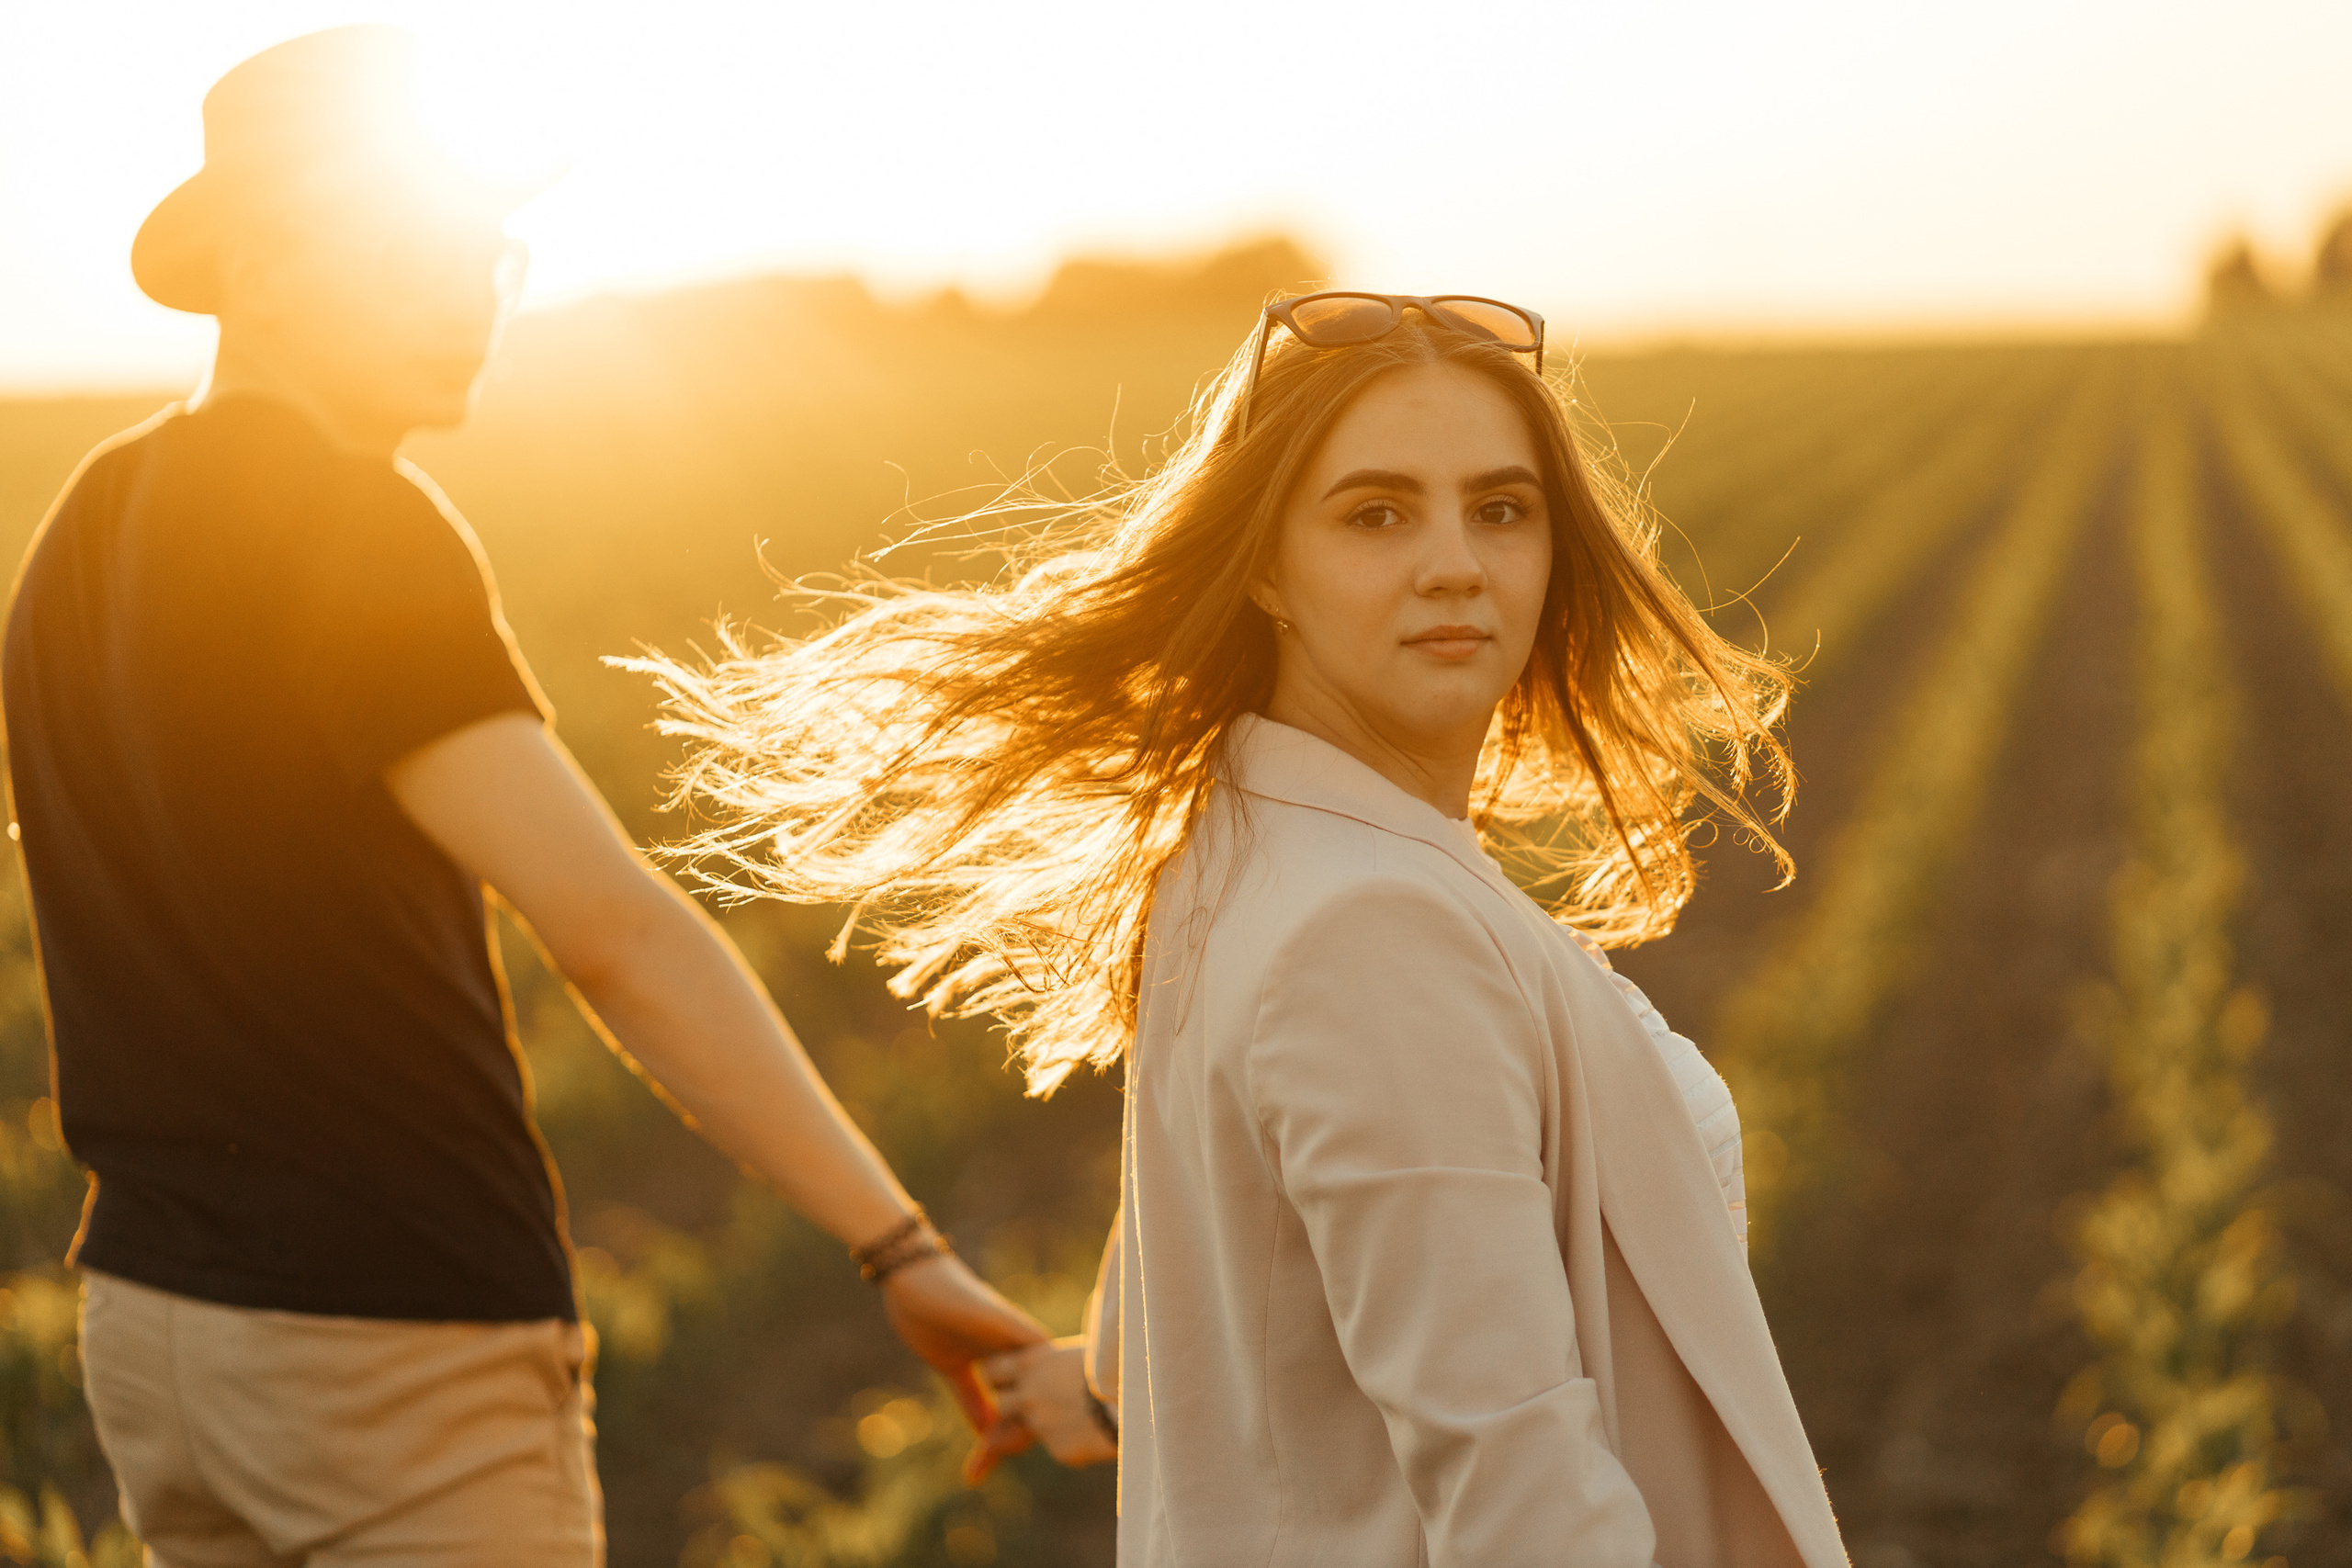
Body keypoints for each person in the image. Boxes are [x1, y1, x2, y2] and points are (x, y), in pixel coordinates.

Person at [2, 27, 1042, 1566]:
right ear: (270, 265)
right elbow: (616, 931)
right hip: (393, 1337)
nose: (475, 292)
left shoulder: (84, 521)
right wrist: (897, 1244)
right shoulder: (359, 525)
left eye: (487, 251)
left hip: (160, 1331)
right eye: (414, 250)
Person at [643, 291, 1855, 1564]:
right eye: (1376, 513)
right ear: (1266, 565)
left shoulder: (1245, 839)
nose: (1455, 560)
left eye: (1500, 508)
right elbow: (1518, 1486)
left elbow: (1268, 1215)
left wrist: (1116, 1377)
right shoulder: (1375, 924)